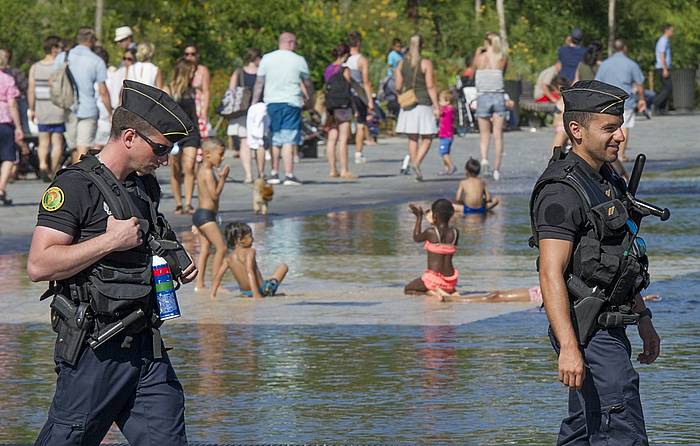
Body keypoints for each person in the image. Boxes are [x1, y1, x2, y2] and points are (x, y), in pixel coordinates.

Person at [28, 79, 198, 445]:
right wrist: (109, 241)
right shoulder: (74, 187)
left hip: (146, 347)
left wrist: (171, 261)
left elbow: (145, 244)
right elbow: (39, 265)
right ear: (130, 137)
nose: (165, 159)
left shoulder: (143, 187)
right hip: (95, 350)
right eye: (160, 148)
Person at [530, 80, 660, 444]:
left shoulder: (606, 179)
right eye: (608, 128)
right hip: (586, 330)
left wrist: (644, 320)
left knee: (584, 426)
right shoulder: (561, 191)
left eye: (619, 126)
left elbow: (622, 259)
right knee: (622, 427)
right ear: (576, 130)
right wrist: (569, 347)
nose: (619, 135)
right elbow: (550, 272)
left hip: (611, 323)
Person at [252, 32, 314, 186]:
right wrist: (310, 99)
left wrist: (254, 103)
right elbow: (307, 82)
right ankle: (289, 174)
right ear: (291, 43)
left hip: (271, 102)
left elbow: (259, 83)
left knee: (274, 137)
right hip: (291, 102)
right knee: (288, 139)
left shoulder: (267, 58)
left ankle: (274, 173)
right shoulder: (298, 60)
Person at [54, 27, 112, 162]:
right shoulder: (96, 60)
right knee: (83, 147)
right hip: (88, 109)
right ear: (91, 40)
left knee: (73, 147)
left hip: (68, 106)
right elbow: (103, 90)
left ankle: (73, 178)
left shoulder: (63, 57)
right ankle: (79, 179)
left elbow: (53, 80)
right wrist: (110, 112)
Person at [394, 34, 438, 182]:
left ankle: (415, 168)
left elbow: (398, 86)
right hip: (423, 102)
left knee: (412, 137)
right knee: (427, 137)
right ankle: (416, 163)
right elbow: (430, 86)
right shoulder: (426, 63)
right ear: (422, 46)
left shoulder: (401, 64)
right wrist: (436, 105)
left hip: (408, 103)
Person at [595, 39, 646, 162]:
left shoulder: (605, 64)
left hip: (607, 101)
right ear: (625, 48)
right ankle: (621, 155)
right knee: (624, 127)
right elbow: (639, 83)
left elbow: (597, 82)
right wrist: (642, 99)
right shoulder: (631, 64)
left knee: (607, 127)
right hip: (625, 101)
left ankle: (606, 151)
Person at [210, 221, 289, 299]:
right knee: (283, 267)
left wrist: (213, 295)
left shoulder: (228, 259)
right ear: (240, 240)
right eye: (250, 236)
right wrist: (256, 294)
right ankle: (268, 292)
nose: (253, 239)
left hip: (245, 293)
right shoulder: (250, 251)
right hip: (261, 290)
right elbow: (249, 271)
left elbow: (218, 277)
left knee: (268, 280)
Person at [165, 58, 201, 214]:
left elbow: (195, 115)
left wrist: (199, 134)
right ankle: (178, 203)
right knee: (175, 169)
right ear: (185, 72)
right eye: (192, 71)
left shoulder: (192, 90)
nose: (194, 74)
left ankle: (188, 203)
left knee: (189, 167)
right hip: (174, 133)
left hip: (191, 132)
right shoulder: (169, 89)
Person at [193, 137, 229, 292]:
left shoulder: (202, 169)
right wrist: (223, 179)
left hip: (200, 215)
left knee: (205, 250)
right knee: (222, 248)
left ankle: (199, 284)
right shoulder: (207, 172)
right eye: (220, 154)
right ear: (207, 154)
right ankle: (216, 283)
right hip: (206, 216)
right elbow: (214, 195)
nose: (221, 158)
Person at [404, 199, 459, 300]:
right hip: (451, 281)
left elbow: (416, 237)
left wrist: (419, 217)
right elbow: (442, 238)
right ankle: (448, 292)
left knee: (408, 290)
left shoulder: (431, 232)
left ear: (435, 215)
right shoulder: (455, 233)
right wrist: (433, 221)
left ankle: (433, 293)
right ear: (451, 214)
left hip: (433, 279)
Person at [28, 36, 66, 180]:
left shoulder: (35, 67)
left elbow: (31, 90)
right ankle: (52, 169)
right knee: (57, 141)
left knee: (43, 141)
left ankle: (43, 164)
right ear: (54, 49)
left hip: (41, 108)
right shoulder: (60, 66)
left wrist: (32, 109)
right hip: (57, 108)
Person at [474, 32, 508, 181]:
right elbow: (502, 74)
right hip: (498, 96)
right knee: (498, 135)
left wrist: (478, 51)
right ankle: (496, 170)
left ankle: (484, 160)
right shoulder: (502, 58)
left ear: (486, 42)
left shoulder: (480, 57)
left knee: (484, 134)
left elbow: (474, 69)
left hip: (483, 96)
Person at [227, 48, 262, 183]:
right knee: (259, 142)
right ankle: (261, 173)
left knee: (244, 142)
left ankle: (248, 174)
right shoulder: (262, 73)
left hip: (242, 110)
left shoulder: (239, 72)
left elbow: (231, 92)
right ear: (257, 58)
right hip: (259, 109)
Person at [323, 43, 355, 179]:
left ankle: (332, 170)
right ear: (346, 55)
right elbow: (349, 88)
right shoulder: (345, 70)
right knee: (343, 138)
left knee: (332, 138)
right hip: (343, 106)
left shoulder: (328, 69)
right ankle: (344, 170)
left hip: (331, 106)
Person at [346, 31, 374, 163]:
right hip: (358, 94)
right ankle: (358, 153)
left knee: (344, 124)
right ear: (358, 43)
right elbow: (366, 82)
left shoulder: (344, 58)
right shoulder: (361, 60)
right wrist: (370, 100)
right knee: (360, 124)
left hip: (345, 94)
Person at [0, 64, 23, 206]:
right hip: (4, 121)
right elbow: (12, 104)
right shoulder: (7, 79)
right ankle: (1, 188)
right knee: (8, 157)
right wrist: (18, 126)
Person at [183, 44, 211, 139]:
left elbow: (206, 91)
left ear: (197, 55)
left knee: (200, 131)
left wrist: (204, 110)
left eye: (192, 54)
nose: (189, 57)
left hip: (198, 104)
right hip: (185, 103)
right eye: (187, 54)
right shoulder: (182, 69)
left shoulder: (202, 70)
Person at [654, 24, 673, 115]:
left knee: (665, 88)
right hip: (662, 67)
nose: (672, 32)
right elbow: (661, 55)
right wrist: (665, 69)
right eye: (671, 30)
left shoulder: (665, 40)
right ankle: (655, 104)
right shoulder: (663, 41)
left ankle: (661, 109)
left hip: (664, 67)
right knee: (668, 88)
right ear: (666, 30)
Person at [437, 90, 456, 176]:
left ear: (447, 101)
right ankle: (446, 168)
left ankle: (451, 166)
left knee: (443, 152)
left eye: (441, 100)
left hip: (445, 135)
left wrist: (436, 109)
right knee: (446, 152)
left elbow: (439, 113)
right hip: (447, 135)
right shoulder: (450, 109)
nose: (439, 102)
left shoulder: (447, 109)